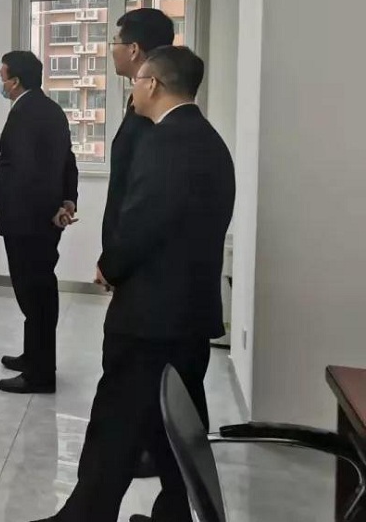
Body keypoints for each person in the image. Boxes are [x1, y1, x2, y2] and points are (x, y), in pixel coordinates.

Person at [33, 46, 235, 522]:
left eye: (136, 81)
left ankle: (85, 516)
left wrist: (111, 266)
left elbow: (144, 220)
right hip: (188, 312)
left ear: (153, 84)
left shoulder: (166, 143)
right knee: (176, 426)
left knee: (117, 420)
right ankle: (173, 515)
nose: (133, 89)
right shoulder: (207, 140)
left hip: (151, 317)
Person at [102, 7, 175, 479]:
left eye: (115, 42)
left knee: (140, 364)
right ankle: (149, 446)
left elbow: (143, 197)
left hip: (142, 266)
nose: (111, 51)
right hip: (129, 258)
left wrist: (116, 259)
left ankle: (153, 450)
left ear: (133, 50)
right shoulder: (137, 104)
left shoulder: (156, 116)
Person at [0, 51, 79, 395]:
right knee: (37, 295)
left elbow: (30, 172)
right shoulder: (50, 109)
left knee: (35, 296)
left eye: (3, 77)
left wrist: (50, 209)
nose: (1, 83)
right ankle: (34, 357)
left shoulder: (26, 113)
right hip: (39, 219)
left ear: (15, 81)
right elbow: (67, 160)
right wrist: (67, 200)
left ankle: (40, 374)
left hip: (27, 222)